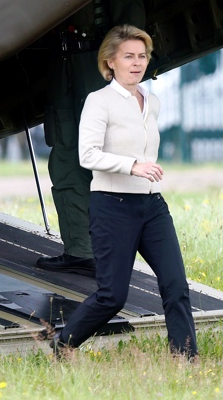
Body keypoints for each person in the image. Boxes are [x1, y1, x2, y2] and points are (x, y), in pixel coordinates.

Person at [51, 24, 198, 359]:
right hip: (112, 206)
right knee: (112, 296)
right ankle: (63, 344)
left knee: (176, 285)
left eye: (142, 56)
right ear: (111, 62)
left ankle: (186, 358)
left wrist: (144, 171)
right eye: (128, 56)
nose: (137, 62)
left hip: (153, 207)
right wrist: (133, 165)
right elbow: (86, 155)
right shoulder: (98, 101)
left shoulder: (152, 102)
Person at [36, 0, 146, 277]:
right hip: (64, 56)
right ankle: (80, 251)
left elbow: (130, 10)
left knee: (106, 157)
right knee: (66, 153)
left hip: (98, 60)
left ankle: (111, 250)